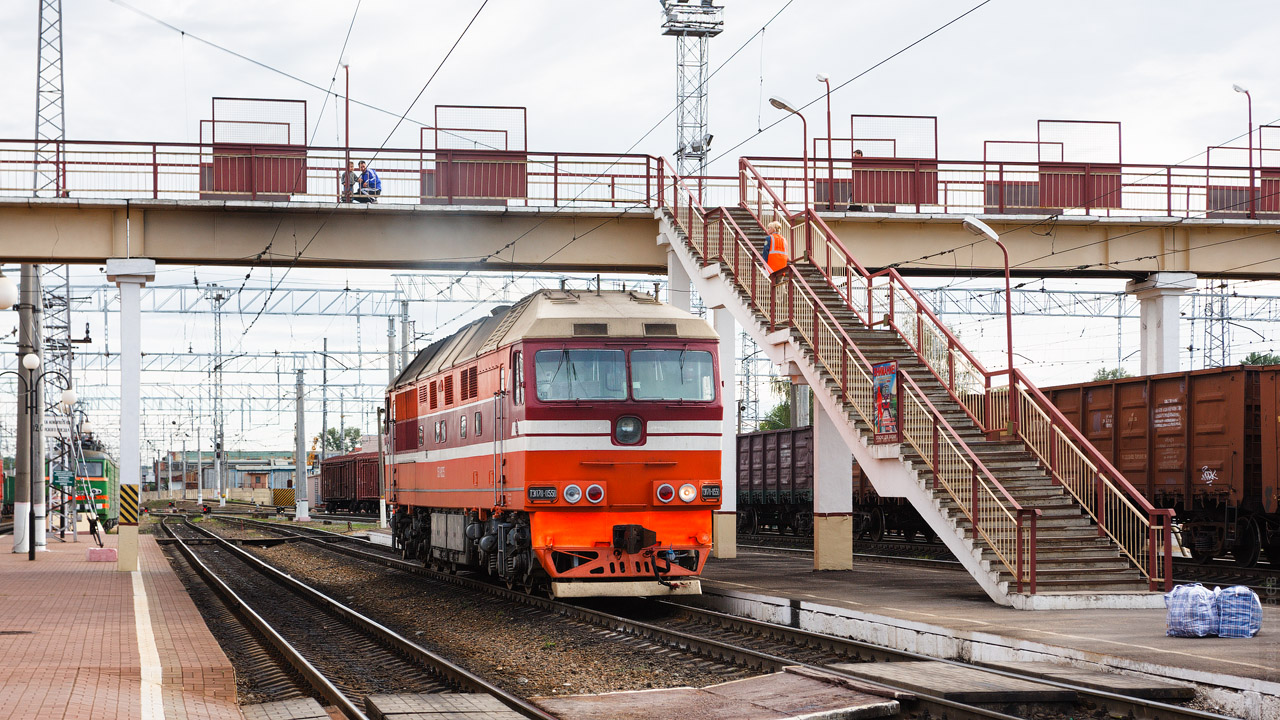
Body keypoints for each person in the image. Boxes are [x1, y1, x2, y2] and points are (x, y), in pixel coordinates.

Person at [763, 221, 788, 285]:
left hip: (772, 265)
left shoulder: (769, 238)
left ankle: (773, 295)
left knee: (772, 284)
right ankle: (783, 294)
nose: (767, 229)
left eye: (769, 228)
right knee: (780, 283)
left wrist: (764, 263)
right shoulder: (784, 239)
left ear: (773, 229)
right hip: (782, 265)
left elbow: (765, 251)